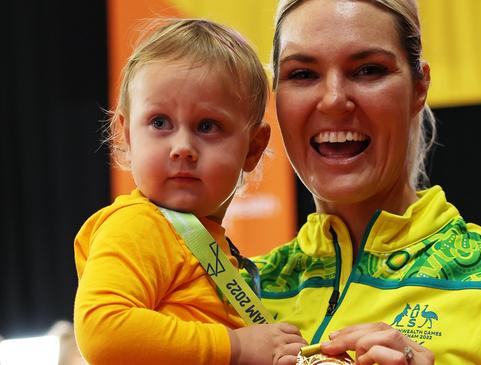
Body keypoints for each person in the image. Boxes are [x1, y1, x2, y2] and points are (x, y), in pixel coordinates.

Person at [250, 0, 481, 364]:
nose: (335, 99)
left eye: (368, 70)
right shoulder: (241, 290)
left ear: (419, 87)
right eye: (303, 74)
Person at [73, 18, 306, 365]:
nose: (182, 147)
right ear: (128, 135)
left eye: (207, 126)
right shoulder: (139, 225)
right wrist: (237, 347)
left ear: (253, 148)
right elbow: (102, 329)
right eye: (160, 123)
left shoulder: (200, 240)